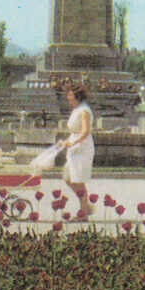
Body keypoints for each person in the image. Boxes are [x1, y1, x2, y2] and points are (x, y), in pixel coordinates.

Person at [62, 84, 96, 219]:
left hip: (82, 147)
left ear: (77, 96)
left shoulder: (84, 111)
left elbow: (85, 131)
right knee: (68, 177)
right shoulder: (77, 109)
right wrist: (66, 142)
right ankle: (86, 206)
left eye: (70, 95)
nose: (68, 98)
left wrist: (73, 142)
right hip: (75, 146)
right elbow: (75, 131)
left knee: (78, 180)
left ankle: (83, 213)